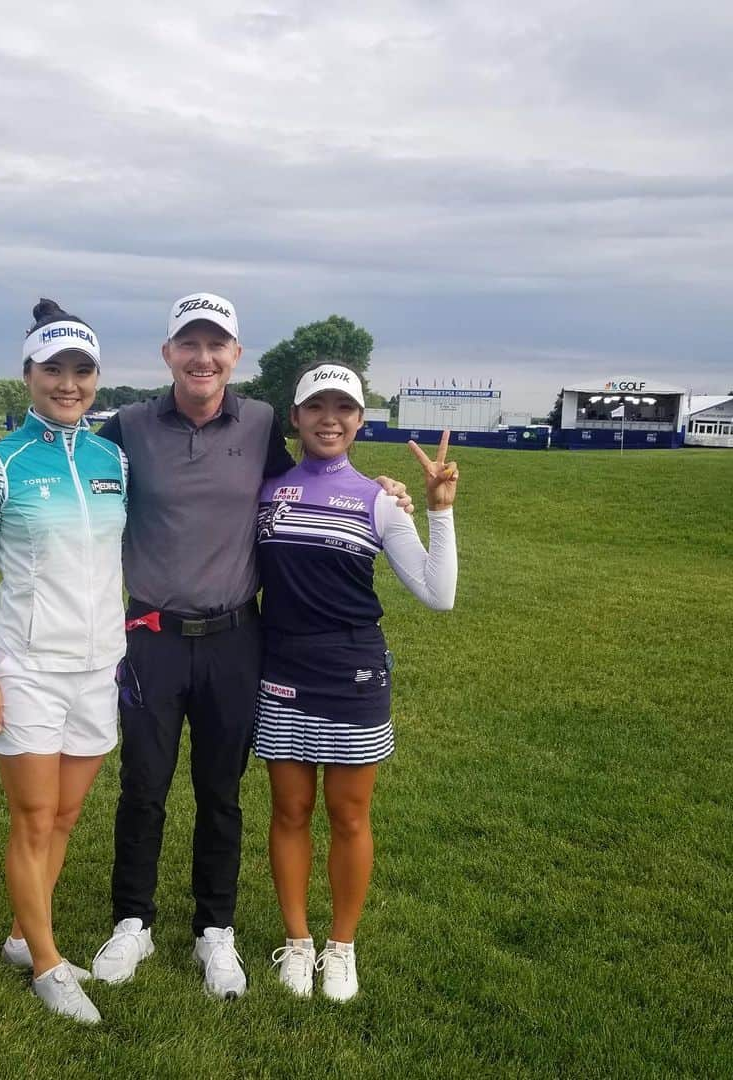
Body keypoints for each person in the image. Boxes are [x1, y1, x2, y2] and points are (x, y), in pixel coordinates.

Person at [0, 292, 412, 1000]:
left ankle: (216, 931)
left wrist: (386, 487)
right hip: (149, 637)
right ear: (169, 353)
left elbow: (316, 472)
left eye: (217, 346)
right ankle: (132, 920)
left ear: (235, 356)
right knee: (142, 788)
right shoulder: (130, 427)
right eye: (189, 345)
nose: (203, 358)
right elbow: (63, 443)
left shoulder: (262, 421)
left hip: (237, 636)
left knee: (219, 791)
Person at [255, 361, 458, 1002]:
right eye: (317, 407)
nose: (330, 419)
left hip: (353, 672)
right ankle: (296, 943)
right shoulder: (263, 491)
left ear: (360, 422)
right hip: (280, 667)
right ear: (295, 417)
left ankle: (340, 949)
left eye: (344, 409)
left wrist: (438, 511)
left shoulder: (377, 497)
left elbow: (438, 593)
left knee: (349, 816)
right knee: (289, 811)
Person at [0, 298, 128, 1025]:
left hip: (99, 667)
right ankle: (50, 965)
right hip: (25, 666)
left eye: (81, 370)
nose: (68, 383)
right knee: (32, 817)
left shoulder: (112, 458)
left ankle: (28, 938)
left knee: (66, 811)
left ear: (96, 378)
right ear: (27, 374)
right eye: (53, 368)